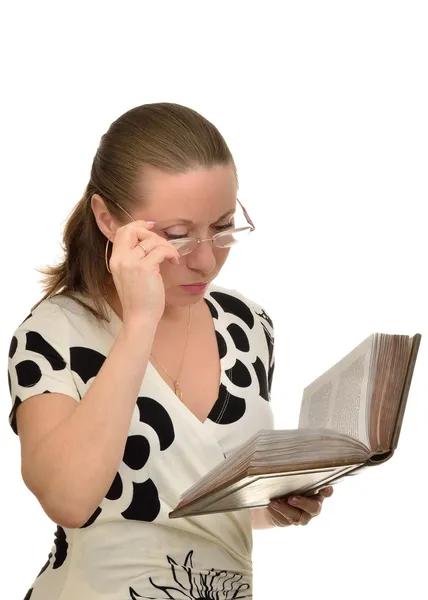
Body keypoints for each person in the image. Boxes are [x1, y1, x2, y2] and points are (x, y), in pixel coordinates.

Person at [7, 102, 333, 600]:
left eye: (222, 227)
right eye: (177, 236)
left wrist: (272, 507)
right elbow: (68, 499)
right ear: (108, 220)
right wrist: (140, 322)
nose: (205, 261)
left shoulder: (247, 326)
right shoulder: (54, 334)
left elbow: (185, 506)